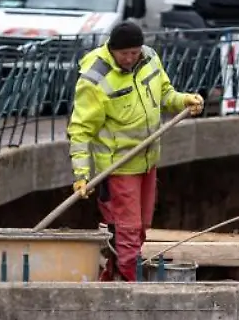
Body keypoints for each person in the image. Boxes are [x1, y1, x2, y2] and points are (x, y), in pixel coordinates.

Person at [67, 21, 205, 281]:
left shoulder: (149, 58)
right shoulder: (96, 79)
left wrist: (182, 100)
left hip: (148, 160)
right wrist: (81, 174)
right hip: (118, 166)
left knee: (140, 228)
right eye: (124, 54)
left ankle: (113, 277)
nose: (130, 58)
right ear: (112, 50)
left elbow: (164, 94)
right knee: (126, 231)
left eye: (134, 52)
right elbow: (80, 130)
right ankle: (131, 286)